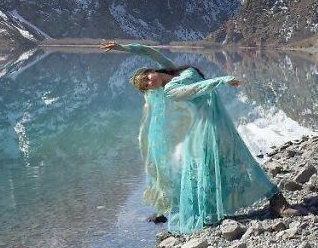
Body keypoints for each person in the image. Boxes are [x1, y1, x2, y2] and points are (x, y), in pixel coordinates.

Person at [100, 40, 299, 233]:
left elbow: (149, 51)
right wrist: (221, 80)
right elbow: (195, 89)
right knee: (227, 162)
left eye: (147, 77)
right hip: (206, 125)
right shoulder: (170, 91)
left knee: (237, 158)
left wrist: (123, 47)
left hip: (216, 119)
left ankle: (275, 201)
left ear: (151, 71)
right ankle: (225, 208)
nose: (150, 82)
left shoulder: (172, 70)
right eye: (146, 85)